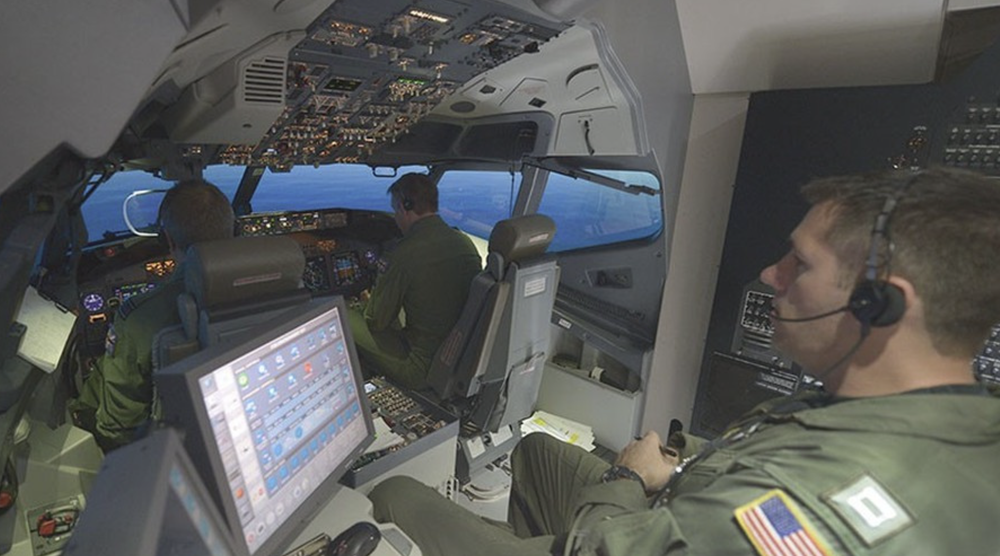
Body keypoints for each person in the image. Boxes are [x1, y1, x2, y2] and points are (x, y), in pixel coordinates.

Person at [368, 167, 1000, 555]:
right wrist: (681, 461)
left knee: (395, 491)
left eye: (800, 263)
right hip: (672, 501)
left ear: (879, 305)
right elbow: (764, 452)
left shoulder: (812, 510)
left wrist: (628, 477)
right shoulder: (883, 410)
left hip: (623, 537)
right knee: (534, 452)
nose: (770, 274)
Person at [70, 179, 234, 452]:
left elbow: (117, 427)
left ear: (168, 240)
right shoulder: (282, 285)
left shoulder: (138, 318)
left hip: (171, 450)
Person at [348, 173, 482, 390]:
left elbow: (376, 322)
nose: (395, 217)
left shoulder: (403, 254)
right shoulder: (464, 242)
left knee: (342, 315)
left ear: (404, 207)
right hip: (460, 359)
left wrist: (364, 304)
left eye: (395, 210)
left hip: (422, 368)